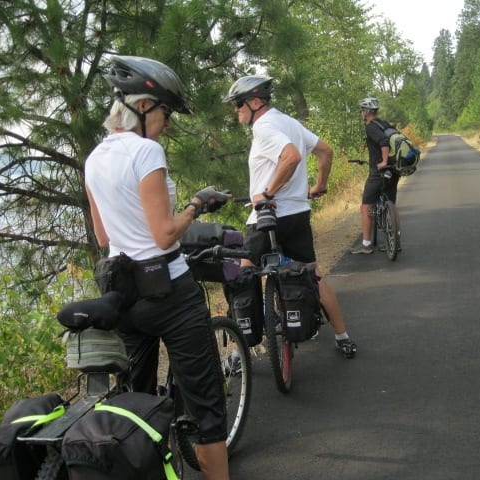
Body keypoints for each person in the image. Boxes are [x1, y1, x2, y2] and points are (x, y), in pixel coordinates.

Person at [84, 55, 231, 480]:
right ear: (142, 106)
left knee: (135, 400)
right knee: (206, 402)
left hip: (125, 293)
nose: (166, 122)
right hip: (170, 291)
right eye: (165, 112)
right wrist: (196, 204)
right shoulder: (146, 150)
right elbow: (165, 234)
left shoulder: (94, 159)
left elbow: (103, 235)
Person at [223, 75, 357, 358]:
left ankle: (238, 354)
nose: (236, 111)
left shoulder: (264, 126)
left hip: (268, 215)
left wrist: (267, 193)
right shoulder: (290, 123)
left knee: (243, 276)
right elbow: (325, 151)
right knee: (312, 275)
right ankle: (343, 336)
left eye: (238, 105)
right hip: (297, 214)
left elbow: (292, 156)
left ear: (255, 102)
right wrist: (320, 185)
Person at [351, 97, 401, 255]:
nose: (362, 113)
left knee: (366, 206)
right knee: (391, 203)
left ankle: (366, 245)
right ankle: (396, 241)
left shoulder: (371, 127)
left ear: (366, 112)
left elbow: (384, 142)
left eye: (362, 111)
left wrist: (383, 161)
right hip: (394, 170)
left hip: (379, 171)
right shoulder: (385, 124)